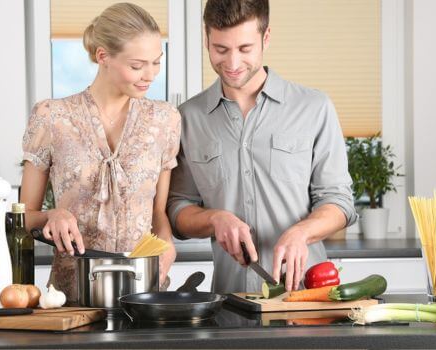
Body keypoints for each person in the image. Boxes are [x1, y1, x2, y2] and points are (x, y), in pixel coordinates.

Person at [167, 0, 357, 294]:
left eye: (245, 49)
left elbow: (339, 202)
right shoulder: (189, 118)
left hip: (308, 300)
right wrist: (214, 219)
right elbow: (178, 208)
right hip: (230, 306)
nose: (232, 64)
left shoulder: (314, 107)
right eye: (220, 49)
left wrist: (301, 232)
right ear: (206, 39)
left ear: (266, 38)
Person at [20, 3, 181, 302]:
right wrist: (52, 215)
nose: (150, 75)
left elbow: (158, 212)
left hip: (144, 293)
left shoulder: (165, 120)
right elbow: (21, 219)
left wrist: (167, 244)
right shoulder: (52, 117)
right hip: (71, 297)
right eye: (137, 65)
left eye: (156, 62)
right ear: (102, 56)